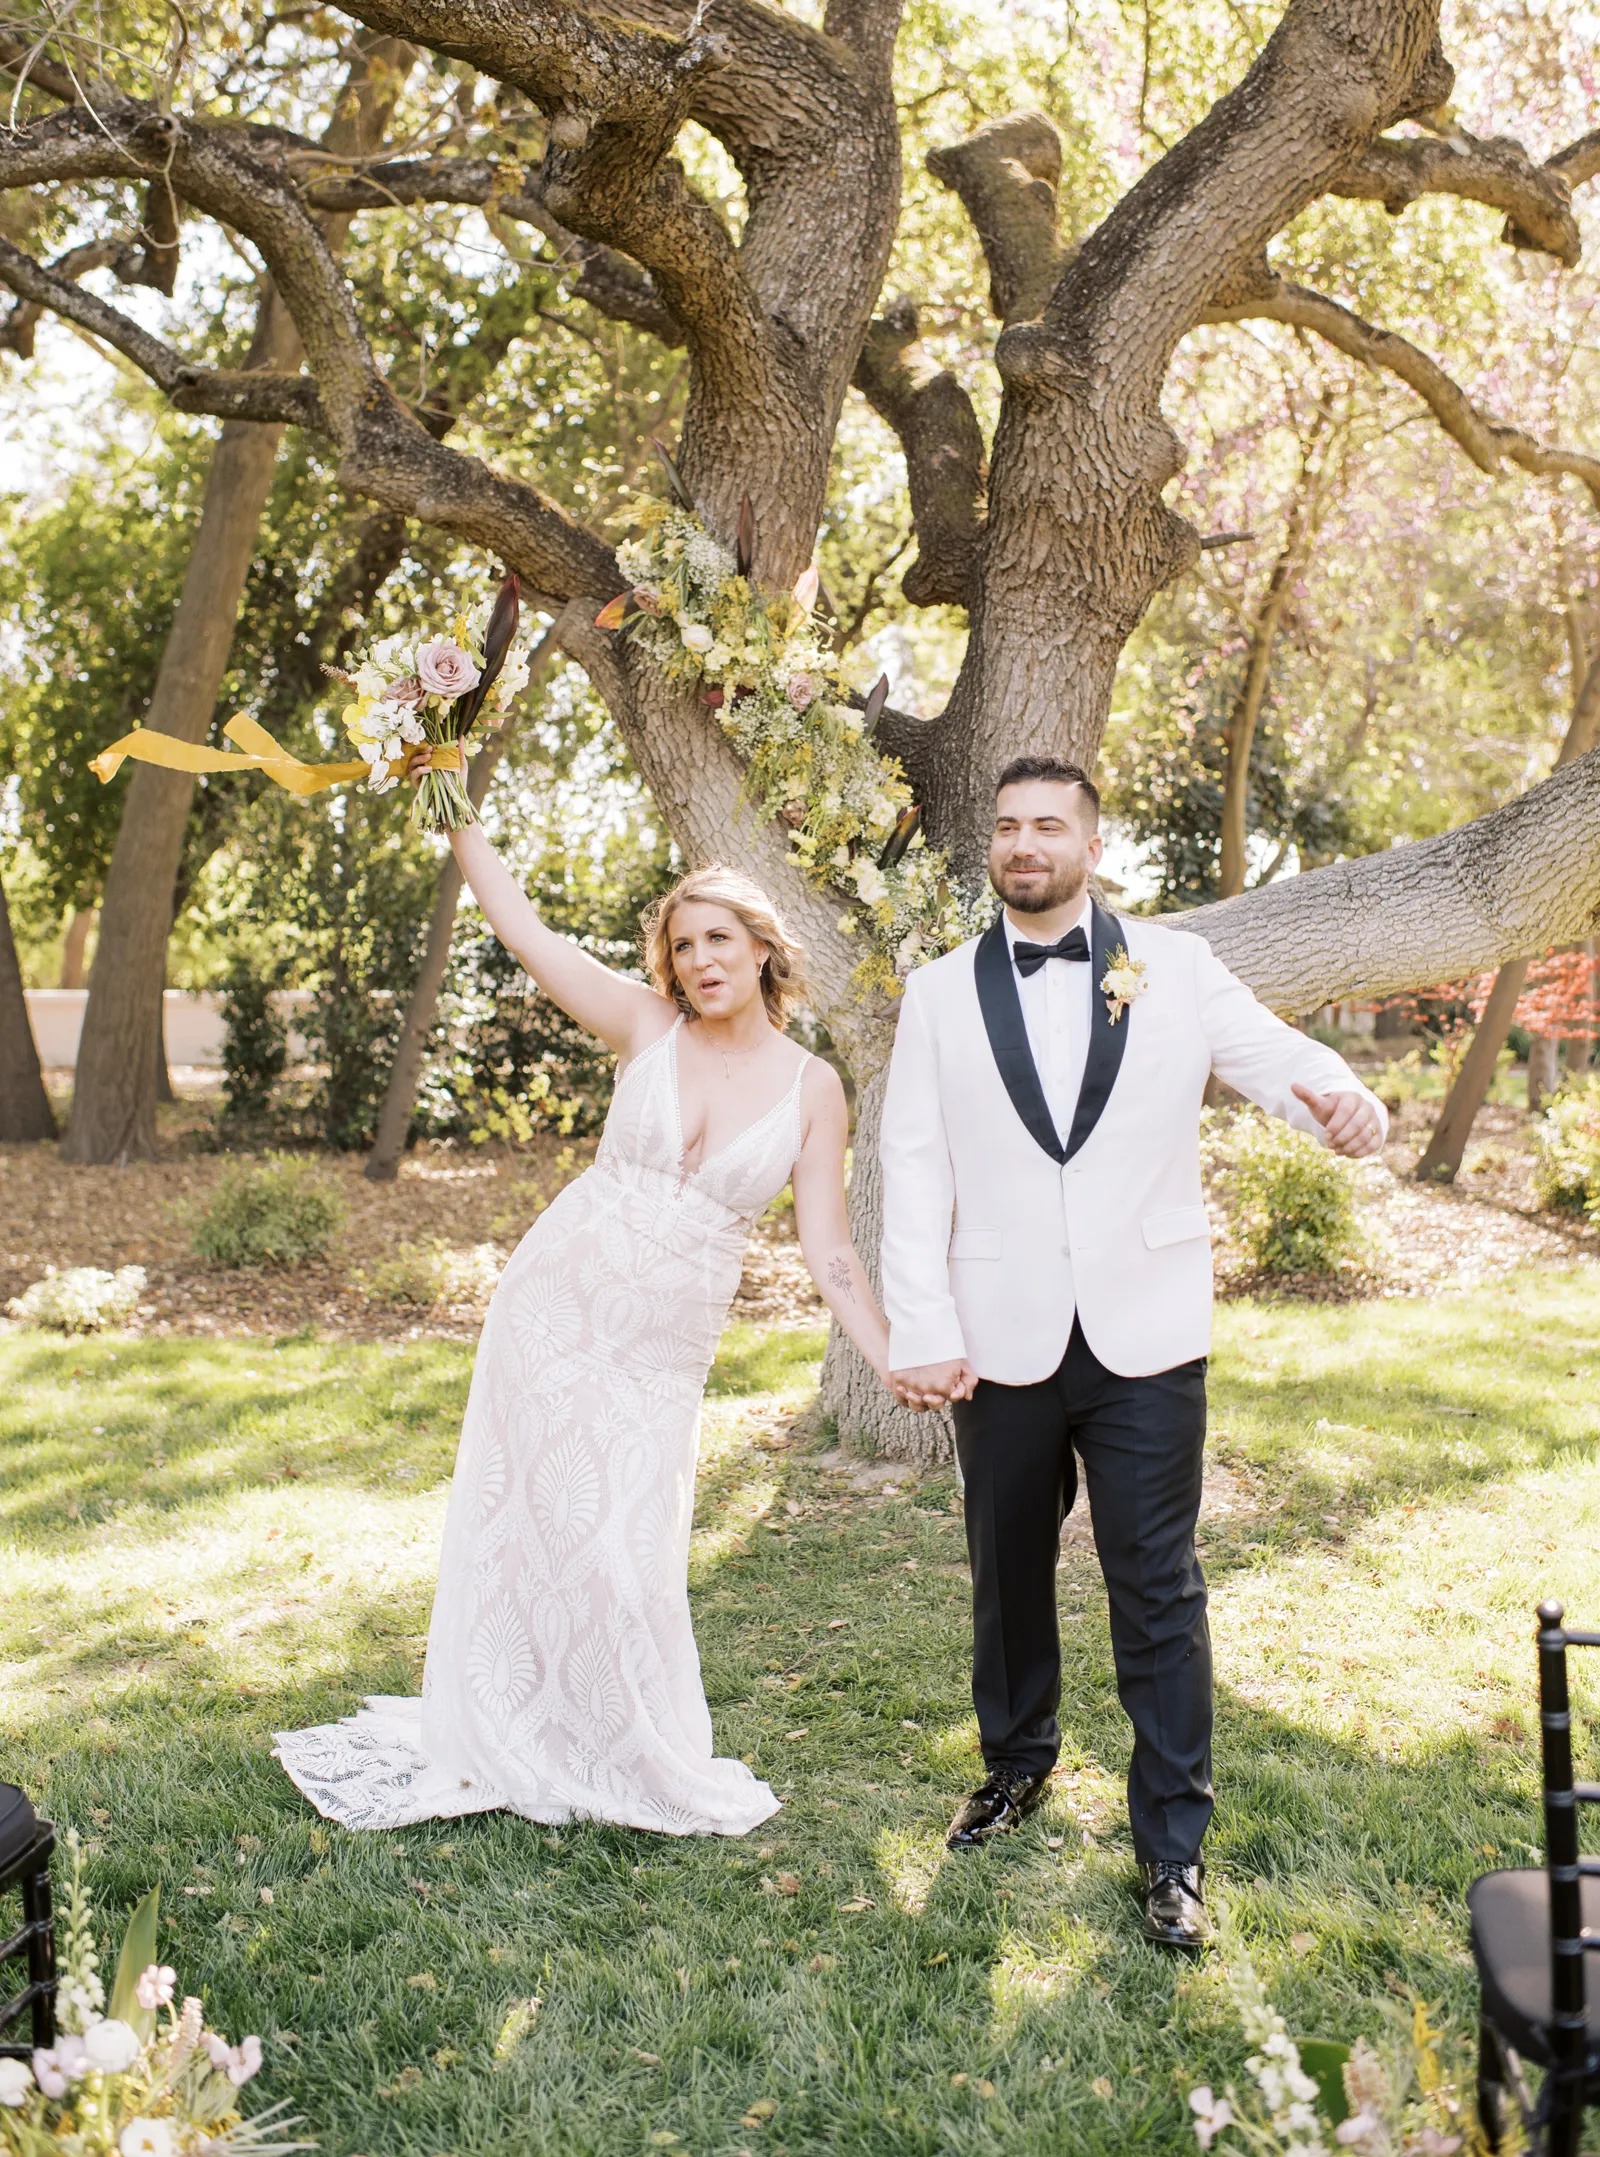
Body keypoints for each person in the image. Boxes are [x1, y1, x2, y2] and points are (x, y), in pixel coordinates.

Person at [275, 792, 891, 1836]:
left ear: (761, 951)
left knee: (618, 1546)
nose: (699, 960)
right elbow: (526, 932)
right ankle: (513, 1718)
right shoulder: (645, 1028)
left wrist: (885, 1350)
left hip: (660, 1346)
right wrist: (456, 799)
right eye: (682, 944)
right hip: (555, 1307)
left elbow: (827, 1245)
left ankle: (607, 1736)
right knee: (533, 1522)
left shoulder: (813, 1087)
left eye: (718, 939)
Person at [878, 756, 1385, 1949]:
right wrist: (923, 1323)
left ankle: (1171, 1847)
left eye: (1047, 825)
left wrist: (1338, 1094)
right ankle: (1014, 1768)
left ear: (1088, 847)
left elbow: (1271, 1057)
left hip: (1145, 1330)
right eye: (1005, 826)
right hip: (997, 1332)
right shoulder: (938, 993)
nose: (1023, 843)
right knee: (1005, 1567)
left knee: (1155, 1584)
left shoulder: (1174, 965)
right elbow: (911, 1167)